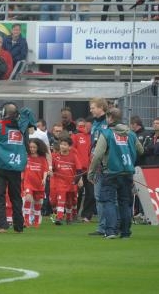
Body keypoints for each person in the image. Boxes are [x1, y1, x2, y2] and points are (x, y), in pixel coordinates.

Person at [88, 108, 143, 239]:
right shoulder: (131, 134)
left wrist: (91, 172)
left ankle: (111, 231)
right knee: (125, 203)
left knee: (108, 201)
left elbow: (97, 155)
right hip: (127, 172)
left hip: (111, 172)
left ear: (110, 117)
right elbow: (140, 150)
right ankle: (125, 233)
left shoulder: (106, 133)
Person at [0, 102, 28, 233]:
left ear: (4, 113)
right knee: (16, 197)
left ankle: (2, 226)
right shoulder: (22, 127)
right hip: (16, 166)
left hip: (1, 165)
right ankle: (19, 227)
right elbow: (27, 143)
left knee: (0, 196)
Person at [87, 97, 108, 236]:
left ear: (101, 107)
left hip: (106, 165)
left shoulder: (108, 123)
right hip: (96, 164)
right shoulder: (95, 123)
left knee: (109, 197)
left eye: (93, 107)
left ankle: (110, 225)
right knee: (98, 196)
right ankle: (102, 227)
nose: (91, 109)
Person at [51, 136, 82, 225]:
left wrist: (76, 181)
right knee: (61, 198)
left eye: (65, 145)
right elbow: (52, 168)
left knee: (71, 201)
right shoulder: (56, 157)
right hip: (60, 182)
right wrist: (51, 171)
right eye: (61, 144)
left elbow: (79, 170)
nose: (62, 146)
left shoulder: (74, 156)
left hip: (71, 182)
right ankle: (59, 217)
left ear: (70, 147)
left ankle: (70, 217)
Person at [22, 138, 49, 228]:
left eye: (34, 147)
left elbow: (45, 169)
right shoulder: (26, 157)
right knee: (28, 198)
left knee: (38, 202)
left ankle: (36, 220)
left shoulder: (42, 158)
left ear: (38, 148)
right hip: (28, 182)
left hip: (38, 183)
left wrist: (44, 179)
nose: (32, 149)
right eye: (30, 147)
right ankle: (26, 220)